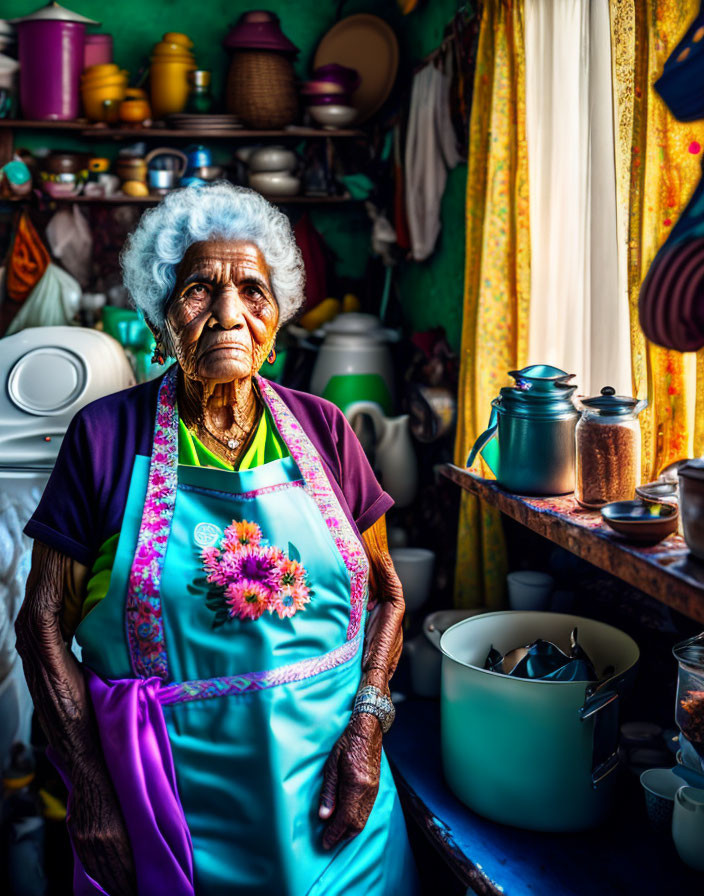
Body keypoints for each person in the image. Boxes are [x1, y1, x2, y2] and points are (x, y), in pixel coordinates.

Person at [15, 183, 419, 896]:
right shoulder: (106, 438)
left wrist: (367, 731)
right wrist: (91, 788)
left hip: (336, 804)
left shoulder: (325, 428)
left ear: (279, 313)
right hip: (167, 807)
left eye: (253, 291)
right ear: (161, 311)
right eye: (200, 289)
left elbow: (387, 594)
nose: (229, 314)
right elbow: (43, 622)